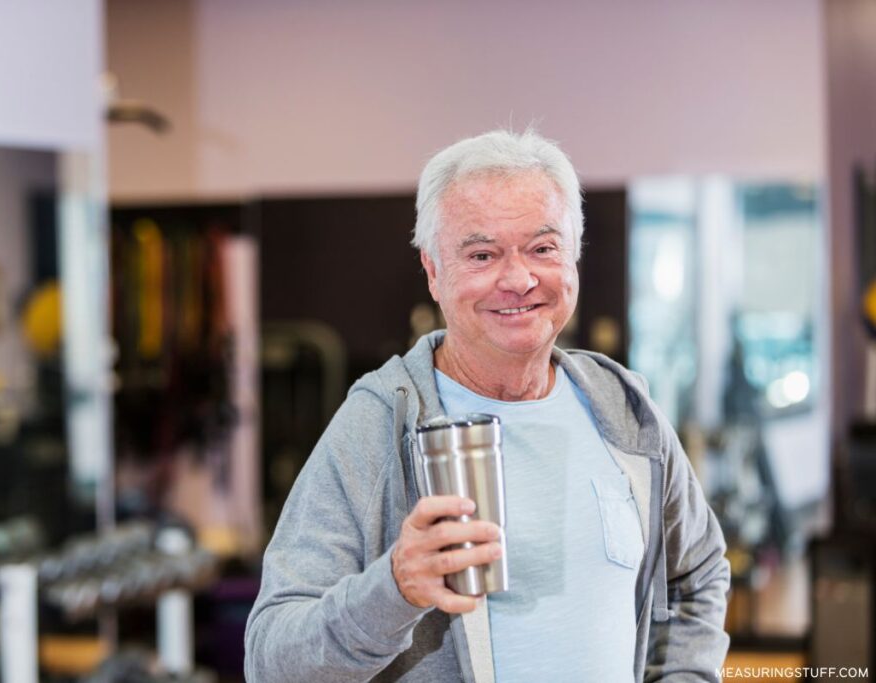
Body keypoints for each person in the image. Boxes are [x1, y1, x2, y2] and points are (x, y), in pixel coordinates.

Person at [245, 129, 730, 682]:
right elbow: (271, 661)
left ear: (574, 256)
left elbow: (697, 574)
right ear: (433, 271)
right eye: (482, 254)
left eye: (543, 248)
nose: (519, 279)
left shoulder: (622, 408)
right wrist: (395, 590)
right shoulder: (380, 423)